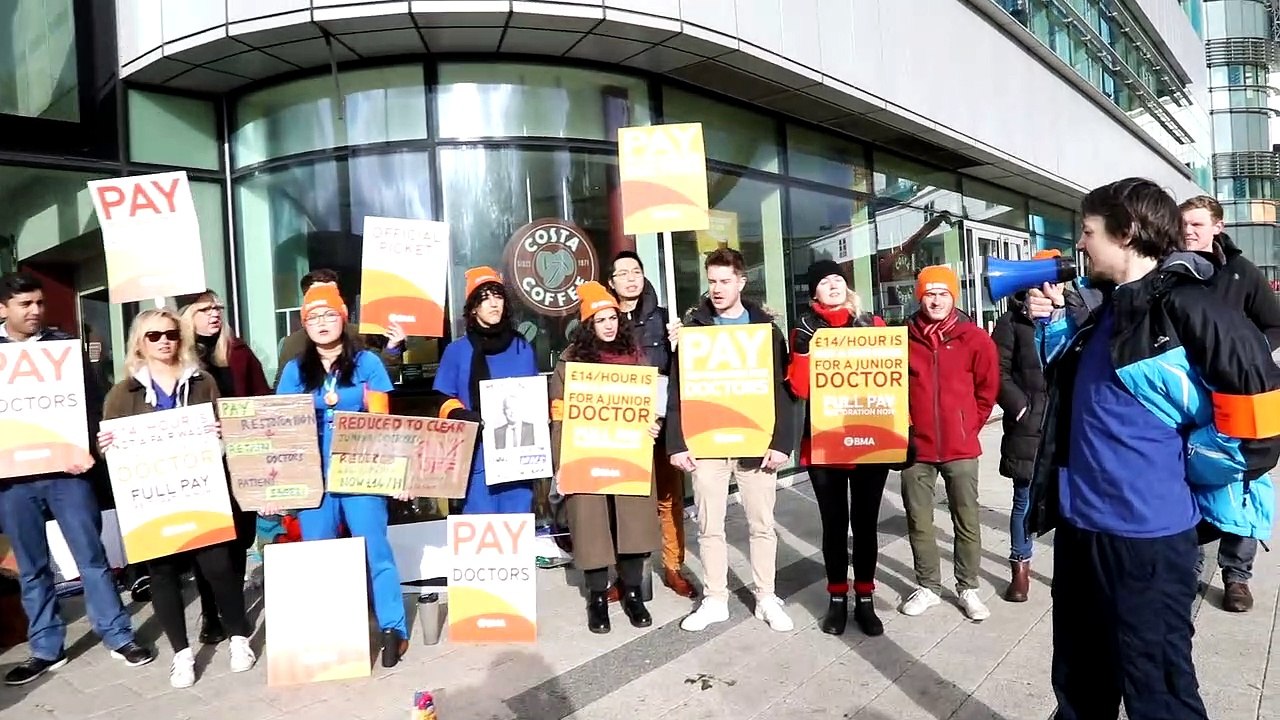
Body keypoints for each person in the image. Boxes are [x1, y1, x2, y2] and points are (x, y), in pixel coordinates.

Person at [1027, 178, 1280, 719]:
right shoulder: (1106, 315)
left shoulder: (1192, 309)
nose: (1080, 244)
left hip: (1147, 539)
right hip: (1081, 533)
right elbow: (1080, 396)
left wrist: (1194, 461)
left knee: (1159, 694)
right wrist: (1050, 328)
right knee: (1078, 686)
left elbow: (1259, 419)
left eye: (1088, 231)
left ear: (1128, 232)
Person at [0, 272, 155, 686]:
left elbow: (87, 403)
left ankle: (119, 635)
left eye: (39, 303)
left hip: (68, 474)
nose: (35, 311)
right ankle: (46, 649)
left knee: (92, 559)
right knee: (32, 569)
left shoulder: (63, 346)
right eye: (24, 305)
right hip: (13, 481)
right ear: (3, 309)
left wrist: (90, 442)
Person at [98, 309, 254, 688]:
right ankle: (182, 655)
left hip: (201, 493)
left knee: (219, 567)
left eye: (171, 334)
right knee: (163, 574)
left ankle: (238, 639)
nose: (164, 340)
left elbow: (224, 432)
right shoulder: (122, 393)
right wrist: (107, 447)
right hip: (153, 501)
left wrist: (220, 431)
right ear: (139, 342)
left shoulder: (202, 382)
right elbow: (113, 451)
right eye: (154, 336)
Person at [275, 284, 409, 668]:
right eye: (312, 317)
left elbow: (382, 422)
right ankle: (333, 633)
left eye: (328, 314)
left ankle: (392, 629)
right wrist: (278, 483)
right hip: (314, 479)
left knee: (375, 551)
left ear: (343, 318)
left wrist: (393, 474)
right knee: (321, 556)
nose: (321, 323)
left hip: (360, 474)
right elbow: (282, 426)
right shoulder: (294, 370)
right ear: (304, 325)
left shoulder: (368, 363)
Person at [667, 248, 796, 633]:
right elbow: (678, 389)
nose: (718, 288)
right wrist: (677, 442)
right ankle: (715, 599)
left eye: (725, 281)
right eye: (712, 281)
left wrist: (781, 442)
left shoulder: (765, 331)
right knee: (710, 527)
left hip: (756, 444)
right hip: (707, 445)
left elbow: (782, 390)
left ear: (741, 281)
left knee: (762, 525)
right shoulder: (694, 329)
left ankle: (766, 596)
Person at [1180, 194, 1280, 613]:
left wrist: (1251, 360)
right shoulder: (1170, 271)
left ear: (1218, 226)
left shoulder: (1242, 273)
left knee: (1245, 475)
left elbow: (1274, 324)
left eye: (1197, 224)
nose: (1188, 231)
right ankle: (1187, 566)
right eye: (1183, 225)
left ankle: (1236, 575)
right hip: (1186, 393)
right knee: (1188, 475)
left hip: (1240, 396)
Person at [549, 281, 662, 633]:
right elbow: (559, 418)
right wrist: (562, 463)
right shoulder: (569, 364)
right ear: (588, 326)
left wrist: (654, 425)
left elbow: (651, 407)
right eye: (601, 320)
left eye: (614, 318)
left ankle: (632, 593)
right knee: (592, 526)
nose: (610, 325)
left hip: (629, 456)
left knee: (631, 523)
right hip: (586, 456)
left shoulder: (636, 357)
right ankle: (597, 598)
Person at [786, 259, 891, 637]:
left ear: (847, 287)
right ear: (814, 292)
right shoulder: (805, 329)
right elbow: (799, 389)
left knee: (865, 524)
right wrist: (801, 354)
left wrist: (902, 434)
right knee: (834, 525)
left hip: (869, 440)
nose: (832, 285)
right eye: (824, 282)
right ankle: (836, 599)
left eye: (837, 280)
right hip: (825, 445)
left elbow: (892, 381)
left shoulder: (872, 324)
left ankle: (865, 598)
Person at [898, 265, 1000, 621]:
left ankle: (967, 587)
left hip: (960, 447)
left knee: (966, 519)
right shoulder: (904, 338)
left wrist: (968, 426)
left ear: (953, 297)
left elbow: (988, 391)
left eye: (943, 293)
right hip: (915, 449)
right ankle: (927, 586)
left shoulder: (974, 338)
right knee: (919, 520)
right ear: (919, 296)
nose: (936, 300)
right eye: (929, 293)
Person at [178, 290, 269, 644]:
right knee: (208, 538)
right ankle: (212, 614)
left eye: (218, 308)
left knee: (241, 535)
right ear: (188, 316)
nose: (215, 314)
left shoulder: (239, 352)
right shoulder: (179, 358)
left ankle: (230, 602)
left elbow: (262, 399)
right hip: (198, 462)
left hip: (239, 457)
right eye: (205, 309)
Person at [607, 250, 697, 599]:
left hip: (661, 425)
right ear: (611, 282)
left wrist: (681, 345)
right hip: (620, 426)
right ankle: (623, 574)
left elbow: (680, 373)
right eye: (623, 273)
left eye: (636, 271)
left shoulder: (665, 319)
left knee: (668, 499)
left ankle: (673, 567)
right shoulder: (604, 320)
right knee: (622, 501)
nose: (631, 278)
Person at [990, 249, 1067, 603]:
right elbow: (997, 373)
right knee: (1023, 499)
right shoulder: (1011, 323)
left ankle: (1068, 570)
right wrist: (1020, 406)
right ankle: (1020, 568)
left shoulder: (1073, 316)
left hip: (1066, 421)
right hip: (1028, 423)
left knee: (1068, 500)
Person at [434, 267, 540, 514]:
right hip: (475, 456)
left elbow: (534, 397)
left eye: (498, 296)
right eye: (484, 298)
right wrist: (463, 415)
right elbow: (441, 400)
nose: (493, 304)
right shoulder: (456, 351)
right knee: (482, 532)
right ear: (473, 308)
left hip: (519, 458)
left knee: (517, 531)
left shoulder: (522, 348)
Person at [274, 268, 405, 386]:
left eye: (332, 293)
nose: (322, 321)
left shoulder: (362, 336)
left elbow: (382, 380)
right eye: (314, 316)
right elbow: (283, 398)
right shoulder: (292, 346)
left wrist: (392, 350)